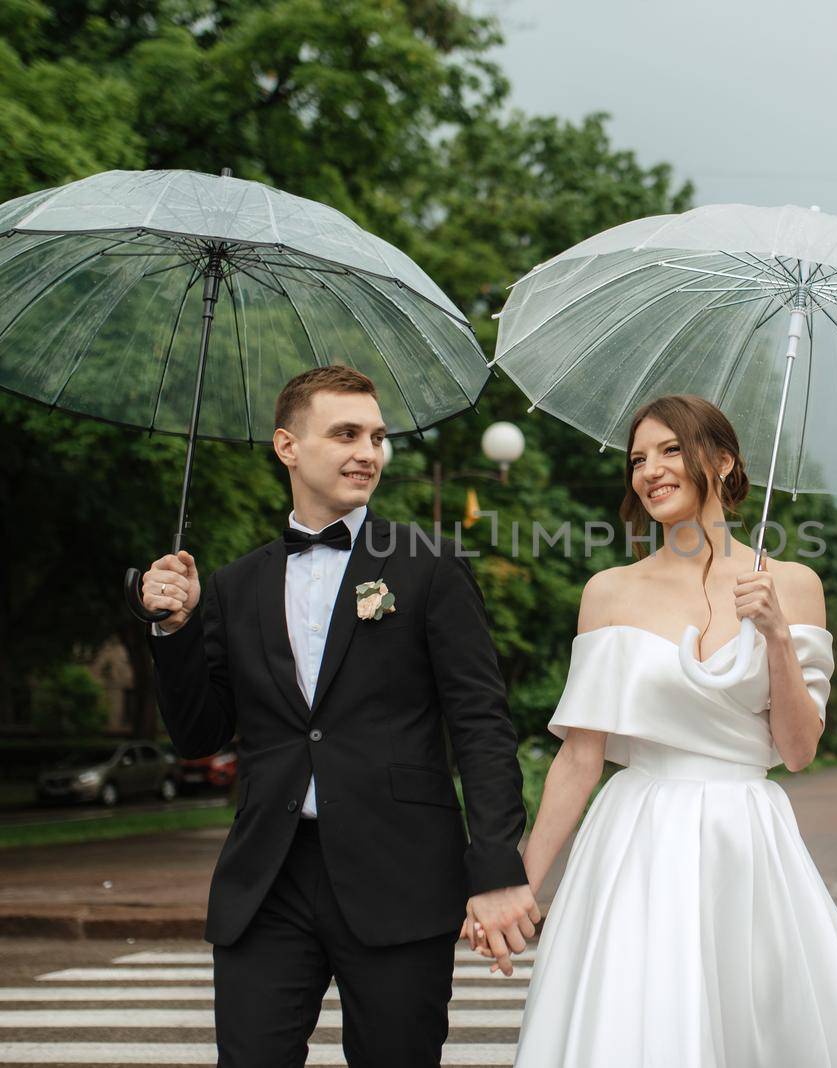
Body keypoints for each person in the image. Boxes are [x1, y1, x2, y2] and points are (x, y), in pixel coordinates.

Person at [485, 394, 837, 1067]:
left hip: (746, 836)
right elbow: (577, 760)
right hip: (636, 837)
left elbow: (798, 752)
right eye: (637, 458)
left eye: (670, 450)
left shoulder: (792, 585)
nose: (650, 469)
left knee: (757, 1026)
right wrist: (519, 885)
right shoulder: (609, 591)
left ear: (722, 461)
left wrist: (774, 638)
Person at [137, 366, 538, 1067]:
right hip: (268, 878)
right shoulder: (233, 585)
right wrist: (173, 629)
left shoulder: (430, 567)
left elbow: (481, 725)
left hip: (400, 875)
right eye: (345, 434)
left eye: (377, 437)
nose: (368, 452)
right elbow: (200, 734)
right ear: (288, 446)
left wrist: (496, 866)